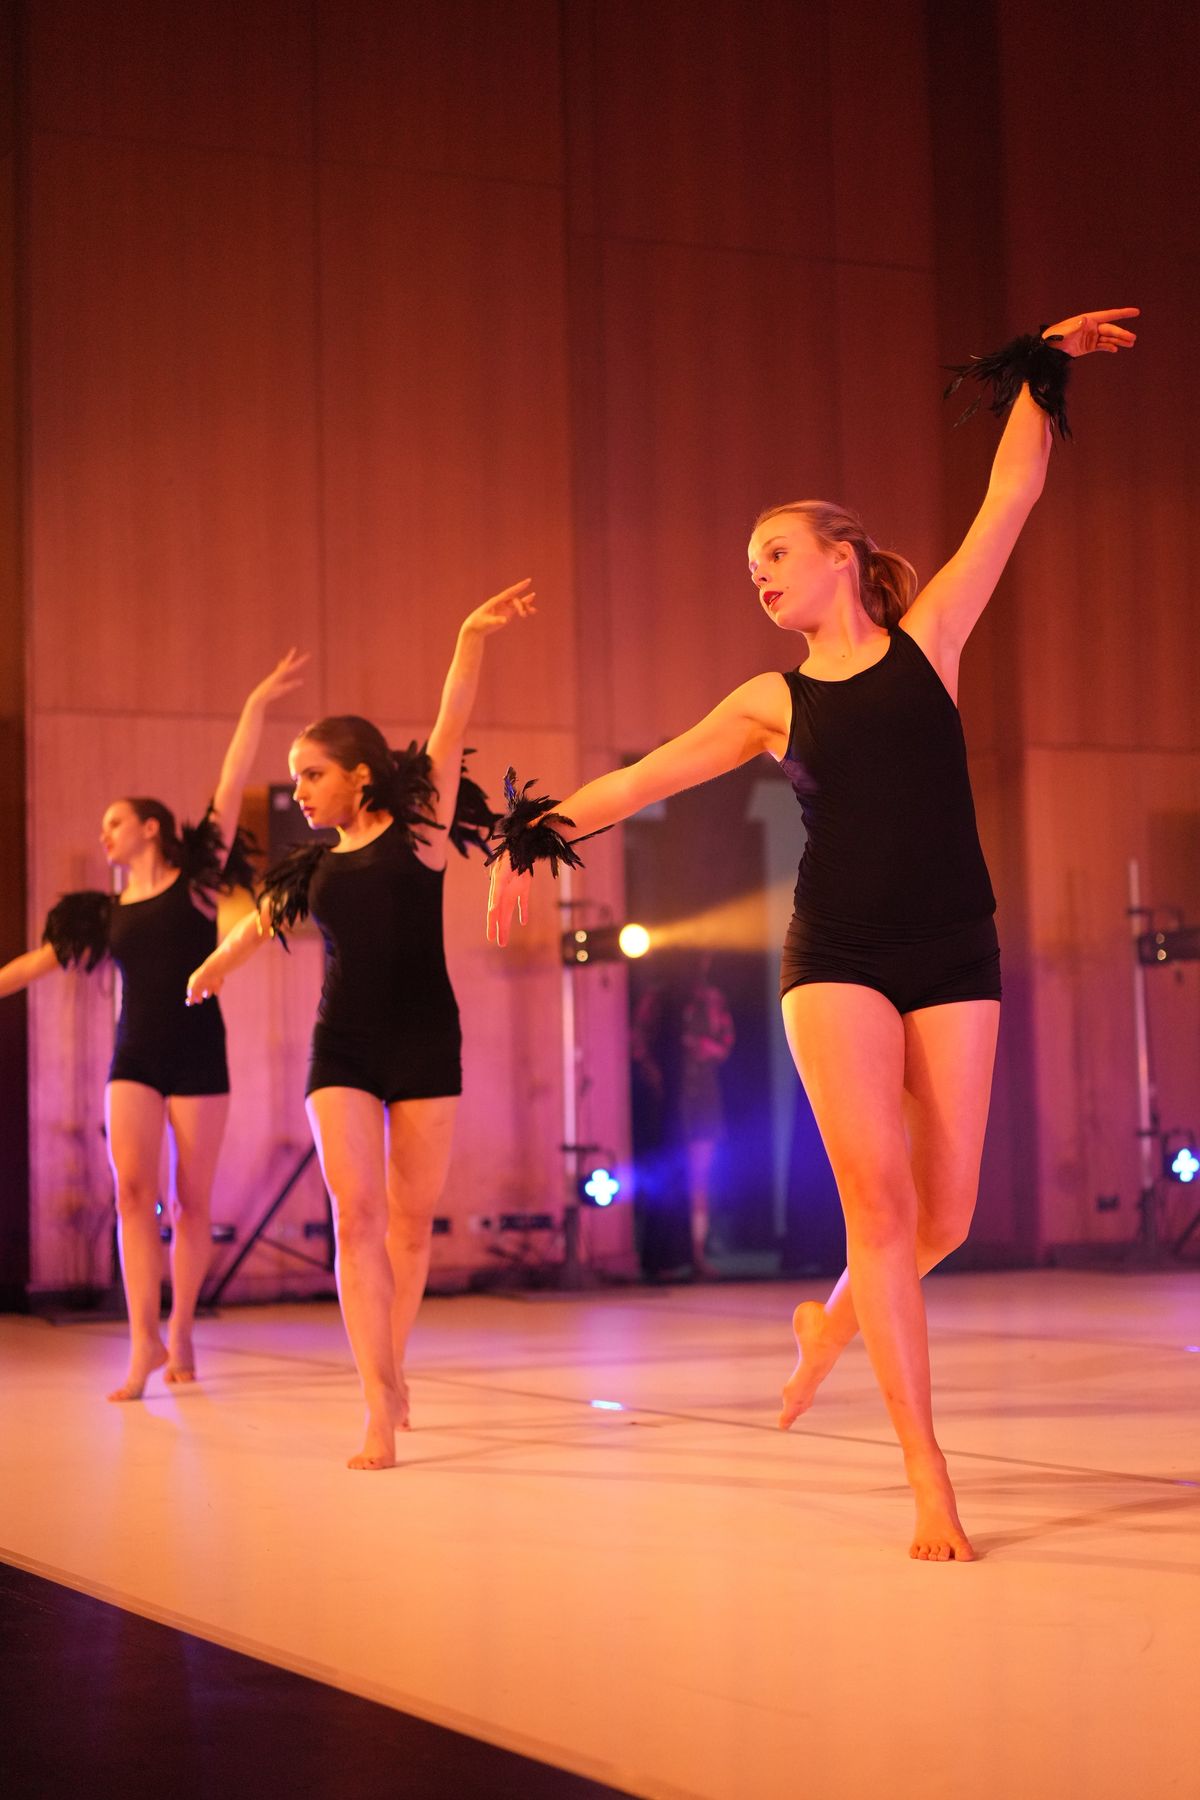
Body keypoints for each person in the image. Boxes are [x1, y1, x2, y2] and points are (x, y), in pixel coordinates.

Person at [487, 311, 1138, 1560]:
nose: (761, 575)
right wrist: (529, 836)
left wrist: (1042, 365)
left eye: (776, 554)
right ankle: (929, 1478)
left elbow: (1010, 494)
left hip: (956, 947)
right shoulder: (768, 700)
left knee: (947, 1216)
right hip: (834, 957)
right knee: (881, 1210)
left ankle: (830, 1323)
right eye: (751, 567)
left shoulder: (931, 640)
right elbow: (642, 780)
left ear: (845, 557)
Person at [186, 581, 535, 1470]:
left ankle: (393, 1365)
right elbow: (258, 925)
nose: (300, 790)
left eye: (313, 774)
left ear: (361, 775)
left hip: (427, 1042)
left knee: (410, 1227)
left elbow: (450, 724)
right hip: (340, 1046)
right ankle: (377, 1403)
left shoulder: (420, 834)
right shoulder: (313, 868)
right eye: (297, 775)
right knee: (358, 1218)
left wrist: (469, 635)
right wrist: (214, 968)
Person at [0, 651, 306, 1400]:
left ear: (151, 827)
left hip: (200, 1052)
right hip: (133, 1056)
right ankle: (142, 1342)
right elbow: (34, 964)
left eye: (114, 823)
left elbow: (229, 785)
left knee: (191, 1202)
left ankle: (183, 1328)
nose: (103, 835)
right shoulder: (103, 914)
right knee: (134, 1196)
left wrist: (254, 706)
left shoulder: (197, 887)